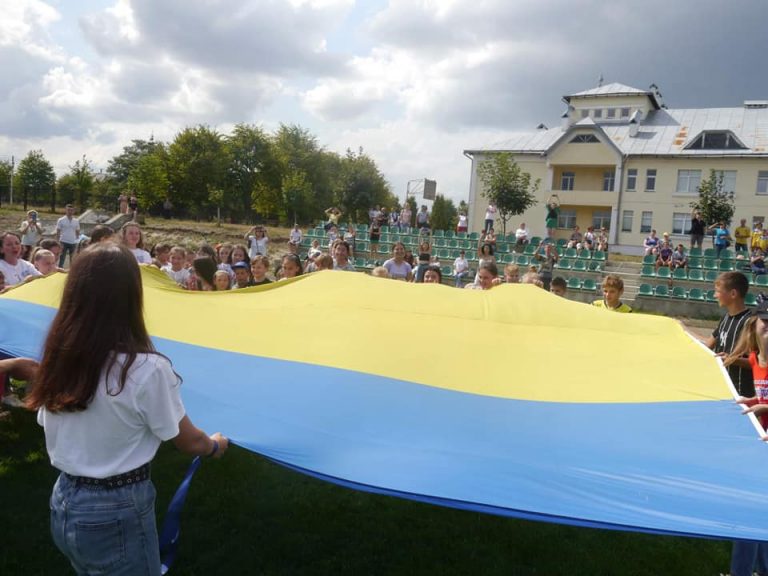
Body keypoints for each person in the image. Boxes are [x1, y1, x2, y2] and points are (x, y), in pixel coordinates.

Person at [24, 243, 228, 575]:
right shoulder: (146, 368)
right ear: (132, 296)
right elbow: (188, 441)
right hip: (115, 510)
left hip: (64, 501)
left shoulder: (60, 357)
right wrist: (214, 446)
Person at [723, 299, 768, 576]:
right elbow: (763, 395)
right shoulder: (755, 359)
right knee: (757, 508)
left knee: (752, 509)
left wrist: (765, 407)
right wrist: (751, 400)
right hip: (761, 442)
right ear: (755, 325)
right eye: (766, 322)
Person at [705, 272, 754, 397]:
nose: (715, 295)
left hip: (741, 394)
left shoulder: (750, 322)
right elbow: (707, 345)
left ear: (733, 294)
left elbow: (760, 362)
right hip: (722, 388)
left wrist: (732, 359)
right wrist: (684, 331)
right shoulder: (725, 318)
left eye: (718, 291)